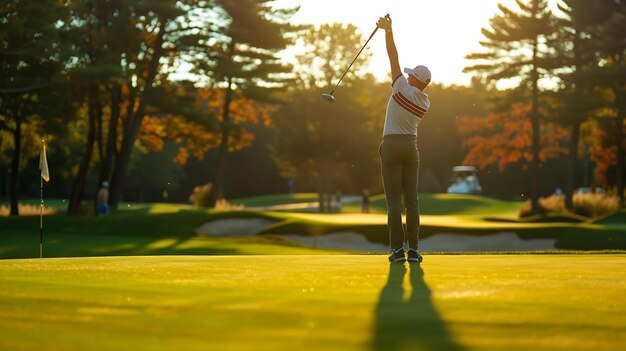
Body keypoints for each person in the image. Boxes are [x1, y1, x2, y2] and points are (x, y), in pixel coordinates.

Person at [377, 15, 431, 263]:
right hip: (411, 147)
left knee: (393, 201)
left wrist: (388, 31)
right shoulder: (425, 101)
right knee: (412, 200)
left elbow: (393, 57)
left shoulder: (400, 86)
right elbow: (398, 64)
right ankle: (414, 250)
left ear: (414, 80)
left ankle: (397, 250)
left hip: (392, 145)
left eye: (411, 76)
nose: (407, 76)